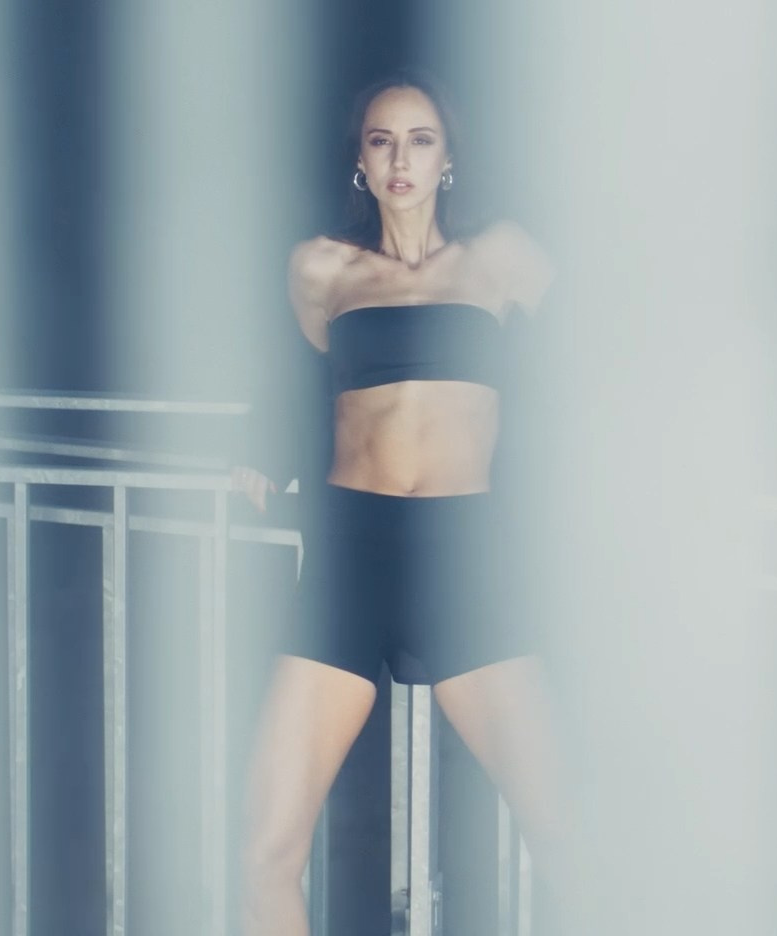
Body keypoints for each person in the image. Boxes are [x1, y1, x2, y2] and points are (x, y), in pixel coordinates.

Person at [231, 74, 560, 936]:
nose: (400, 157)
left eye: (420, 139)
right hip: (350, 554)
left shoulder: (502, 258)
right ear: (361, 163)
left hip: (463, 557)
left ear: (449, 158)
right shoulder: (321, 268)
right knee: (265, 852)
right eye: (381, 140)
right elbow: (301, 382)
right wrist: (268, 450)